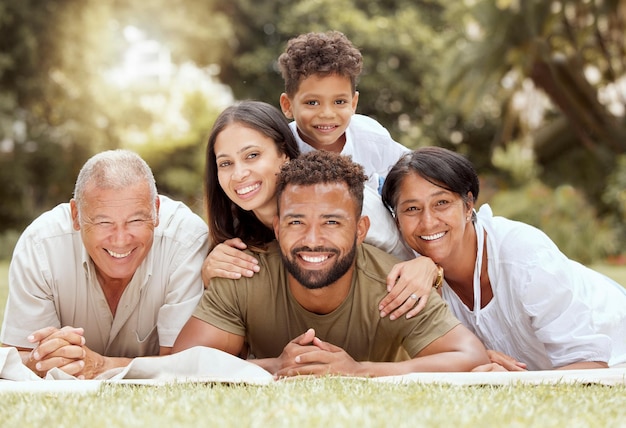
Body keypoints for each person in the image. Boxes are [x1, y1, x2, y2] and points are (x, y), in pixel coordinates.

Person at [174, 151, 489, 377]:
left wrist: (359, 371)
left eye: (332, 222)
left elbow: (469, 356)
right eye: (297, 222)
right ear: (277, 227)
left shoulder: (395, 285)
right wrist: (275, 366)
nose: (313, 239)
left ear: (360, 231)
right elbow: (181, 366)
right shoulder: (244, 275)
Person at [381, 146, 626, 371]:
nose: (428, 222)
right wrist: (473, 356)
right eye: (412, 209)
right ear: (396, 219)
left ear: (468, 206)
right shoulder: (406, 270)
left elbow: (590, 366)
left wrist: (517, 384)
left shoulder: (524, 256)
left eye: (442, 203)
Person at [202, 101, 435, 321]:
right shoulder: (234, 234)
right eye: (225, 163)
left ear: (284, 155)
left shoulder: (343, 199)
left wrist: (427, 266)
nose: (239, 173)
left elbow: (412, 261)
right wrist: (208, 276)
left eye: (252, 156)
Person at [0, 149, 209, 379]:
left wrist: (101, 366)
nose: (120, 240)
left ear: (156, 210)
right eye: (103, 222)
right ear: (76, 215)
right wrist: (43, 359)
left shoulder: (186, 241)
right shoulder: (40, 246)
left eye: (136, 220)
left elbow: (185, 362)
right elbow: (19, 353)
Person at [277, 30, 410, 193]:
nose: (327, 113)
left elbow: (413, 170)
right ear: (287, 105)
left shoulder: (371, 137)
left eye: (339, 102)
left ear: (353, 103)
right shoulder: (280, 148)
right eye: (312, 102)